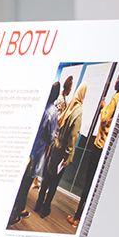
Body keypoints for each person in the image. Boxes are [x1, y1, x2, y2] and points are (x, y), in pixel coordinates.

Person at [69, 67, 119, 225]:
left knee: (89, 183)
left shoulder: (117, 97)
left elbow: (106, 117)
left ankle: (77, 218)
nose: (115, 82)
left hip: (100, 145)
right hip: (109, 147)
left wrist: (103, 107)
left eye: (117, 79)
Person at [10, 82, 61, 226]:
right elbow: (51, 136)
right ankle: (17, 212)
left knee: (22, 180)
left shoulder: (38, 105)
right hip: (38, 151)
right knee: (26, 182)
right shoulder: (52, 111)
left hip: (27, 148)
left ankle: (19, 207)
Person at [35, 83, 86, 218]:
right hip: (62, 153)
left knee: (46, 178)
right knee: (54, 183)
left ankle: (38, 203)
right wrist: (68, 157)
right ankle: (45, 208)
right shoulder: (78, 111)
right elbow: (73, 137)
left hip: (55, 149)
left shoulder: (70, 106)